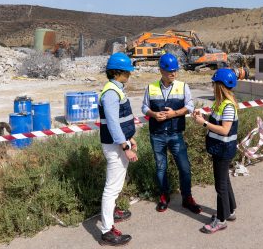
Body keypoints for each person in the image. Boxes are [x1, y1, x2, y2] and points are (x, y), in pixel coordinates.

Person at [141, 53, 202, 214]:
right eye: (170, 71)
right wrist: (153, 114)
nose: (173, 74)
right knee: (161, 167)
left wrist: (174, 114)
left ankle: (187, 197)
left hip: (175, 134)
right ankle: (163, 196)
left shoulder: (183, 86)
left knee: (184, 167)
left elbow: (189, 106)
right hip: (157, 134)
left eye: (175, 70)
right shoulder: (151, 87)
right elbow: (144, 107)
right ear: (161, 70)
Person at [97, 52, 139, 246]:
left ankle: (112, 212)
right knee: (112, 188)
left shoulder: (116, 89)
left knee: (116, 185)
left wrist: (130, 139)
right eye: (127, 73)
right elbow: (113, 124)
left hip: (120, 143)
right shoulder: (111, 93)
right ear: (118, 73)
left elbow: (122, 121)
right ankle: (107, 230)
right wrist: (125, 147)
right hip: (115, 147)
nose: (129, 76)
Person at [192, 68, 239, 234]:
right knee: (225, 181)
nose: (212, 86)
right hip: (220, 149)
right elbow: (216, 123)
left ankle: (221, 220)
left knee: (220, 186)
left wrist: (202, 123)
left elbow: (224, 130)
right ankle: (230, 211)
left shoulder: (228, 106)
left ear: (220, 85)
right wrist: (203, 116)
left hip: (223, 150)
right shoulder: (219, 104)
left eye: (214, 83)